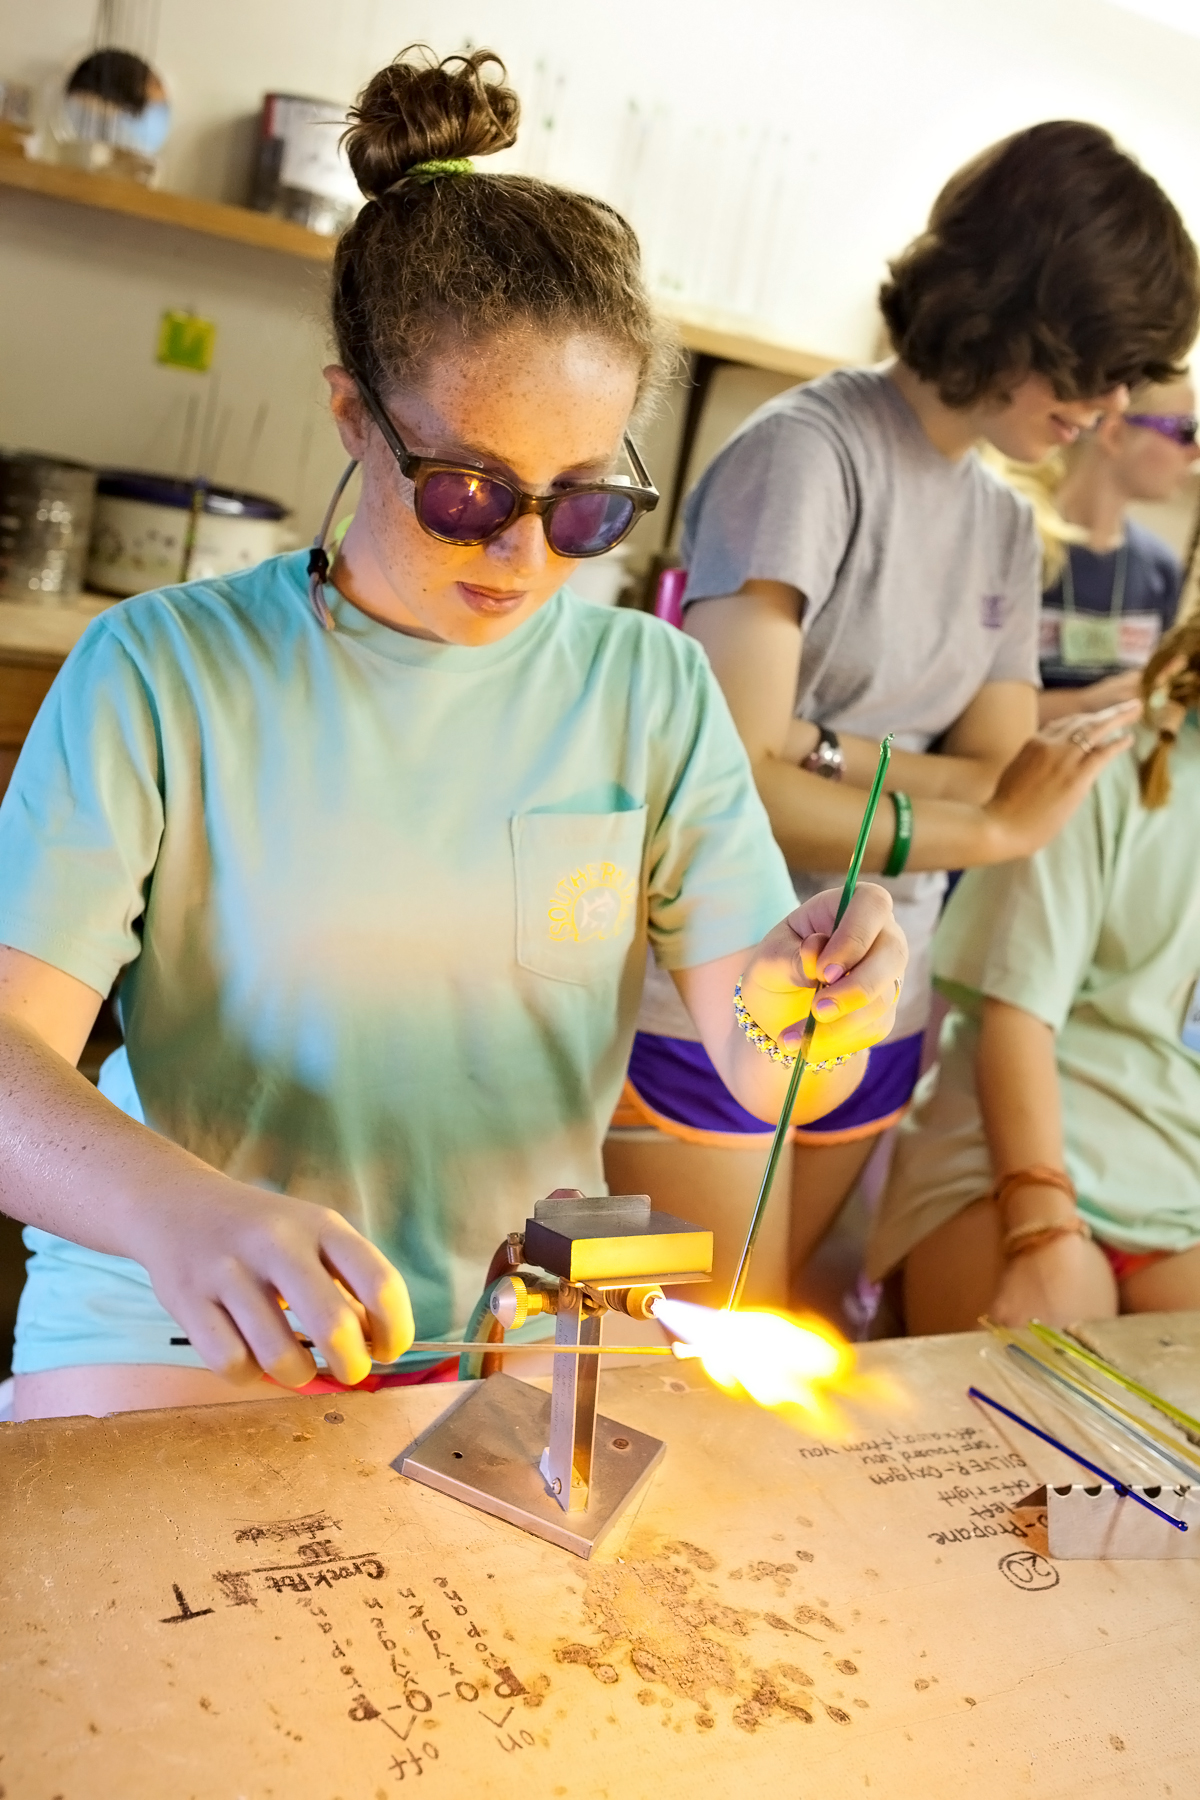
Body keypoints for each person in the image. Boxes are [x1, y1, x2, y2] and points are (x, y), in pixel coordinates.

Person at [0, 47, 906, 1424]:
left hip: (514, 1316)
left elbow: (775, 1064)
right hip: (189, 1301)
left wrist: (822, 1000)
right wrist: (181, 1213)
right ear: (352, 416)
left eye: (584, 503)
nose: (525, 556)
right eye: (469, 493)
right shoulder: (165, 671)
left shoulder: (649, 691)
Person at [606, 121, 1197, 1311]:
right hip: (723, 983)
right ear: (1016, 313)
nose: (1111, 406)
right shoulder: (807, 458)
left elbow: (996, 765)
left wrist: (821, 747)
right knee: (698, 1354)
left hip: (884, 1001)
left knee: (782, 1320)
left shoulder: (1003, 521)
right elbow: (730, 787)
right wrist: (979, 829)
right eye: (1093, 366)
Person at [870, 616, 1200, 1332]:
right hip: (1010, 1158)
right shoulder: (1110, 765)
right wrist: (1043, 1226)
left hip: (1180, 1195)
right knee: (1044, 1375)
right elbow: (1017, 1020)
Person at [1037, 375, 1198, 723]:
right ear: (1114, 433)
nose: (1195, 450)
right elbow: (960, 705)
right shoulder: (1023, 545)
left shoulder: (1161, 570)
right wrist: (1084, 704)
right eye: (1184, 430)